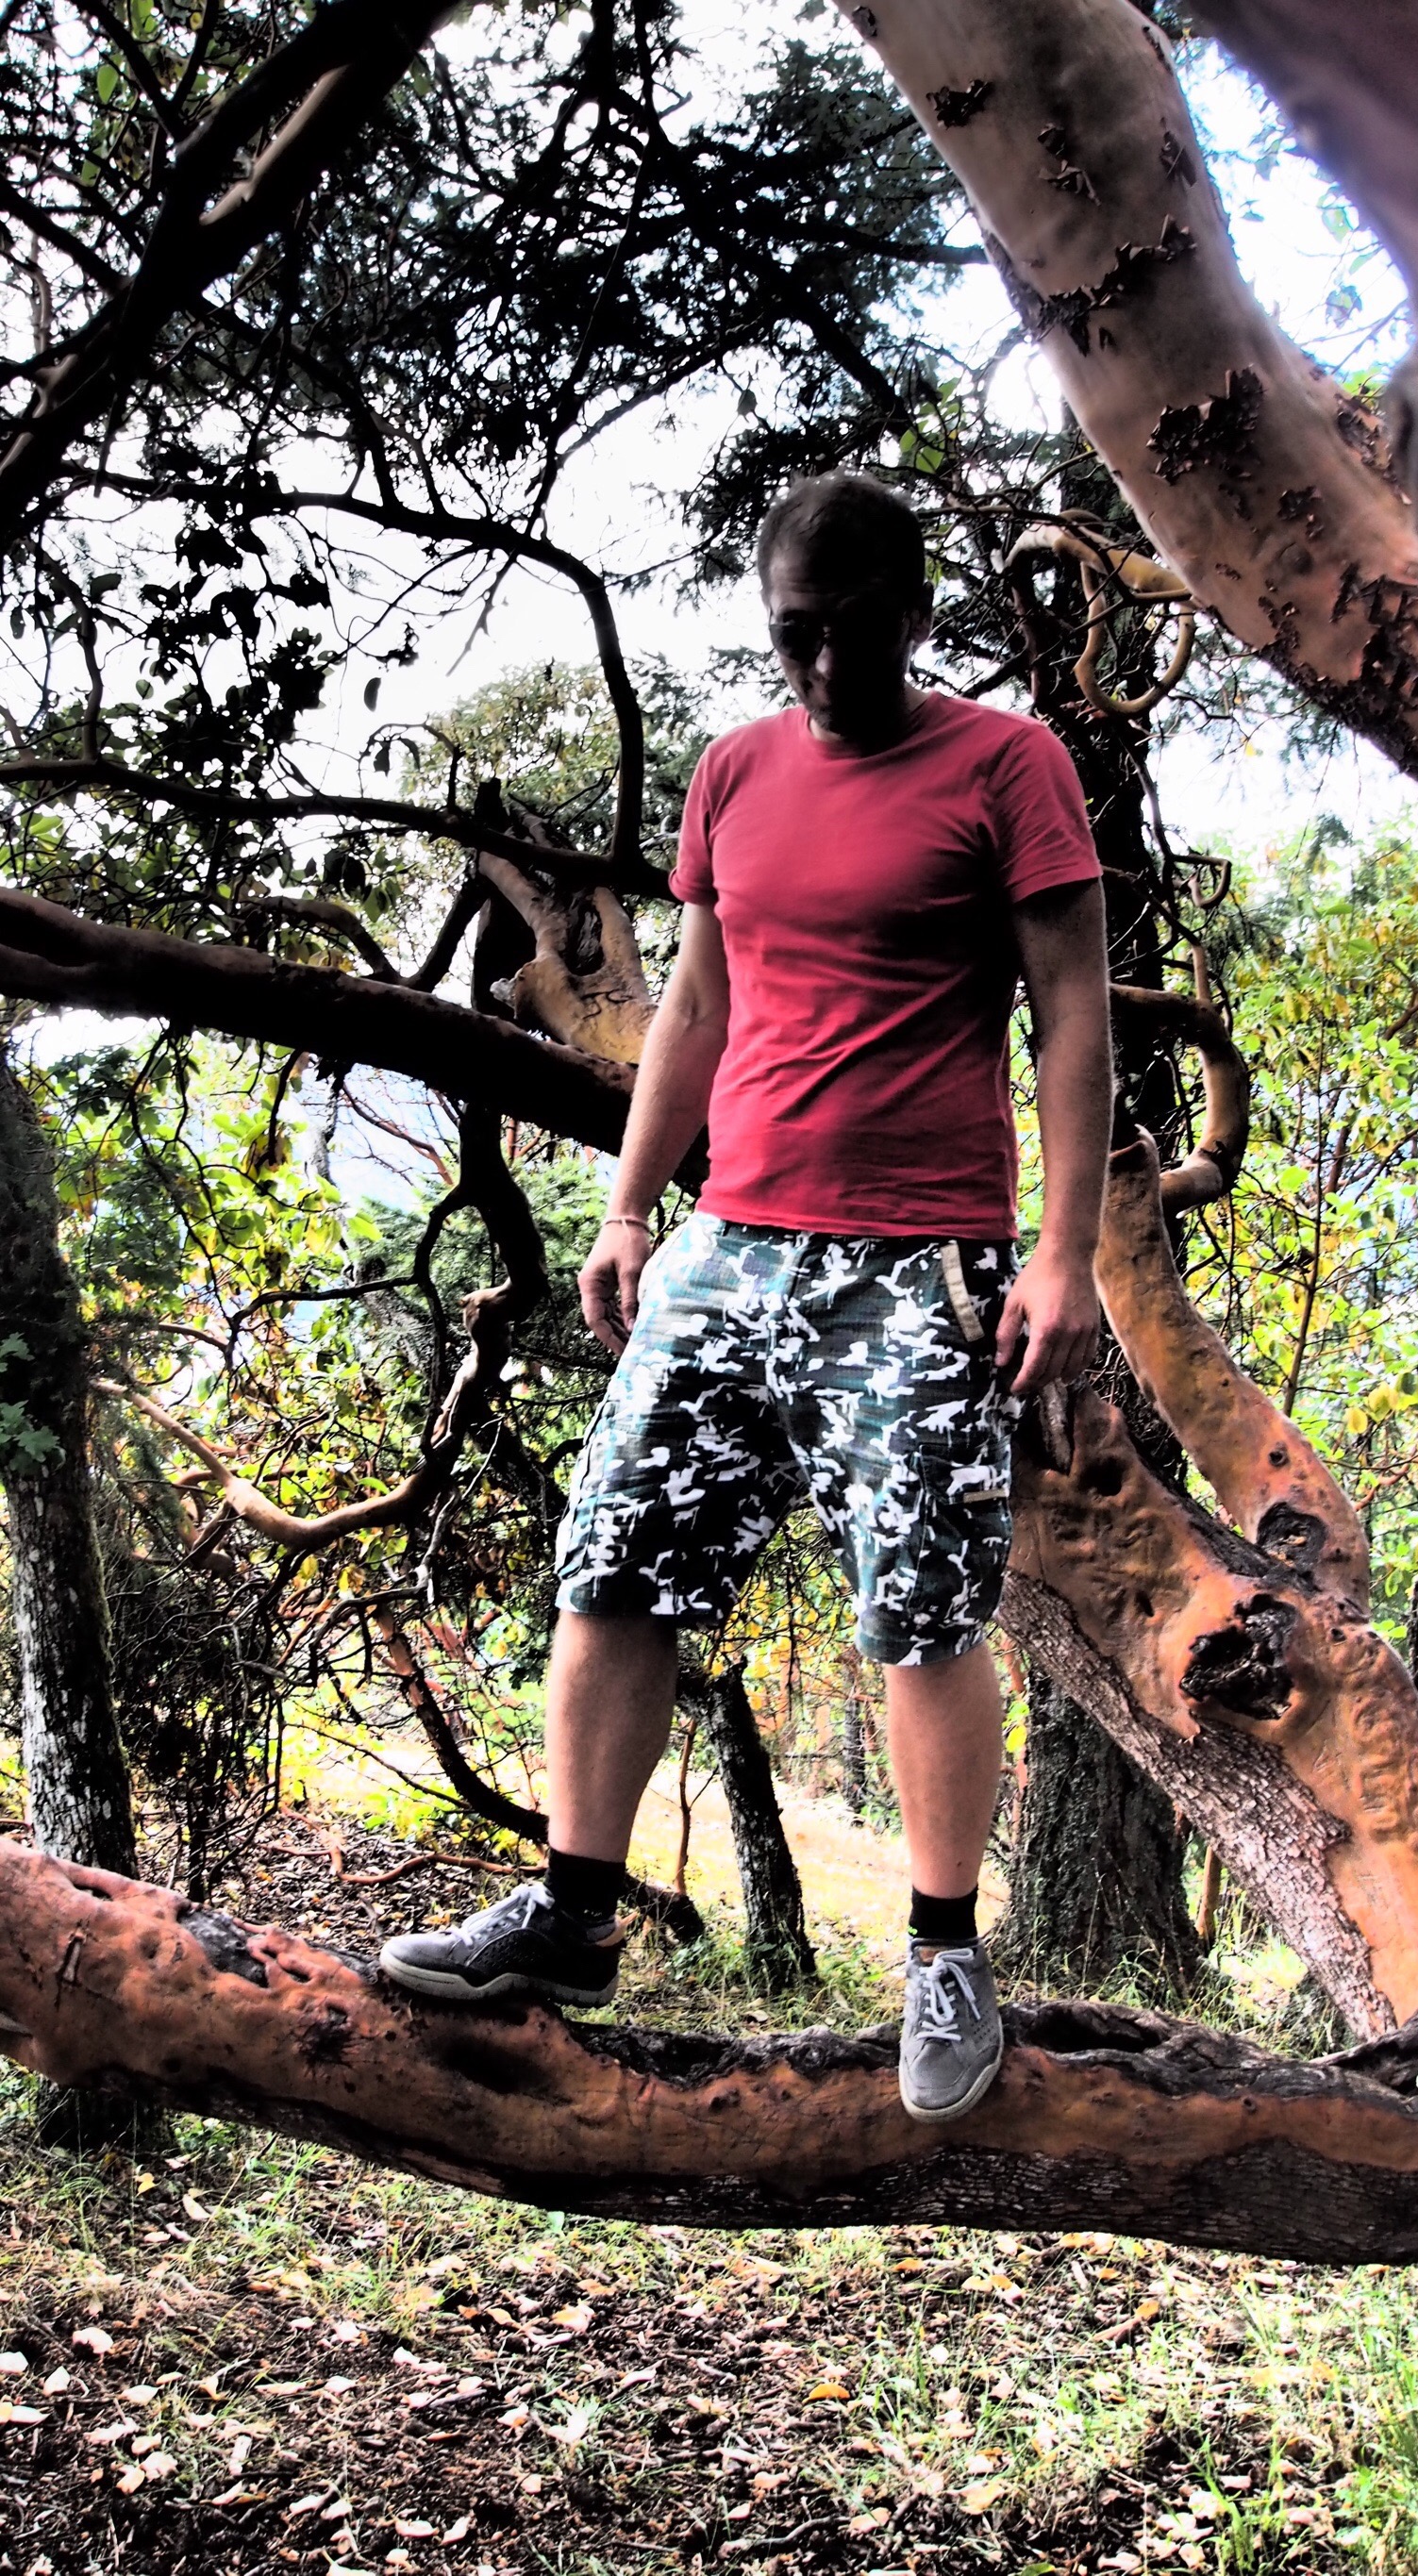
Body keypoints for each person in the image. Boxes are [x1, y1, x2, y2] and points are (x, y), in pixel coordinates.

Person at [380, 473, 1111, 2123]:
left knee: (923, 1606)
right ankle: (573, 1912)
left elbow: (1074, 1014)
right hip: (731, 1244)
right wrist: (629, 1205)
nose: (828, 665)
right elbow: (698, 1005)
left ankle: (944, 1956)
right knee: (612, 1559)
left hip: (919, 1258)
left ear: (914, 612)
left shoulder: (1009, 768)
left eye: (858, 629)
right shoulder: (735, 771)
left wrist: (1063, 1253)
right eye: (797, 633)